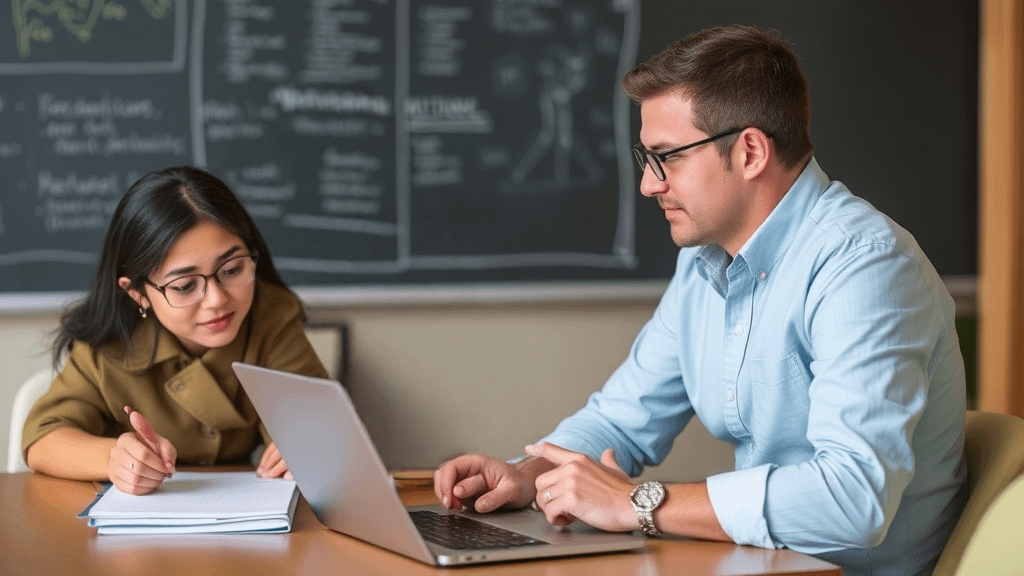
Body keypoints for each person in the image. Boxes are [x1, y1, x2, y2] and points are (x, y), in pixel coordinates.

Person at [434, 24, 967, 576]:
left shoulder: (866, 266)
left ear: (751, 152)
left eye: (668, 157)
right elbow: (622, 421)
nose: (649, 184)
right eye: (646, 158)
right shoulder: (704, 262)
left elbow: (852, 501)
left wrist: (638, 503)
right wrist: (530, 477)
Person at [22, 165, 328, 495]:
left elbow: (316, 422)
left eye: (232, 269)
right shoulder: (108, 344)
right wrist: (114, 458)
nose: (217, 299)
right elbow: (42, 438)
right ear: (137, 293)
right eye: (184, 286)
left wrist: (304, 444)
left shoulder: (272, 316)